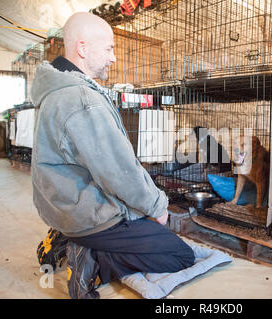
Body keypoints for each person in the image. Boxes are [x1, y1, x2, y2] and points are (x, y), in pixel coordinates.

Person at [31, 12, 195, 299]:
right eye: (108, 48)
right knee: (179, 254)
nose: (113, 58)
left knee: (142, 229)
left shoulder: (56, 92)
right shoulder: (81, 99)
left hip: (61, 206)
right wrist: (157, 207)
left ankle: (65, 236)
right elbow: (119, 173)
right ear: (82, 49)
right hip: (87, 215)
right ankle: (88, 257)